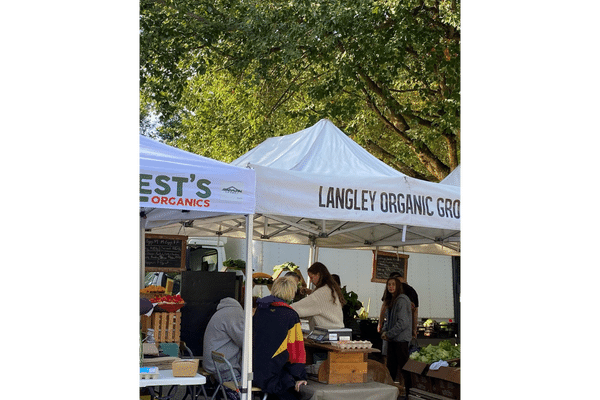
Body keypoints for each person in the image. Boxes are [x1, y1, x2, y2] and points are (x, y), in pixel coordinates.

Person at [253, 276, 308, 400]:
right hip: (274, 376)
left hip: (254, 372)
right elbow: (296, 351)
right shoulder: (290, 315)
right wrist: (300, 377)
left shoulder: (260, 310)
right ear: (291, 292)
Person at [290, 262, 345, 330]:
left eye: (311, 277)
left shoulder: (322, 293)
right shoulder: (330, 289)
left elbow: (299, 307)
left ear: (318, 275)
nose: (310, 281)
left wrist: (283, 308)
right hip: (337, 331)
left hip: (328, 332)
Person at [202, 297, 245, 383]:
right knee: (246, 394)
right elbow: (244, 342)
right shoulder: (235, 313)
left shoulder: (222, 312)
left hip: (212, 364)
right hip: (223, 367)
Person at [381, 276, 412, 389]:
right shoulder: (392, 300)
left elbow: (403, 322)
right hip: (393, 339)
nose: (391, 287)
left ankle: (409, 392)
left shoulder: (402, 301)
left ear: (398, 286)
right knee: (391, 367)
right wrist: (385, 330)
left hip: (401, 340)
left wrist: (389, 334)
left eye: (393, 284)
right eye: (389, 284)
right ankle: (390, 392)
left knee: (404, 368)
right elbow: (387, 320)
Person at [378, 272, 419, 339]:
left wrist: (380, 323)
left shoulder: (399, 296)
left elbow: (384, 306)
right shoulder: (412, 291)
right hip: (405, 335)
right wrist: (414, 330)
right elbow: (415, 312)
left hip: (396, 335)